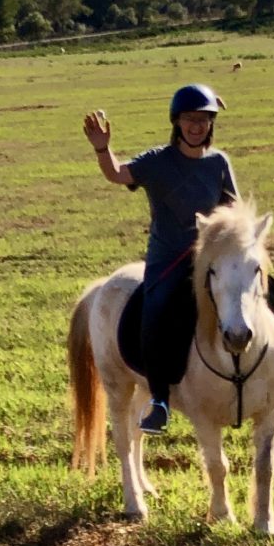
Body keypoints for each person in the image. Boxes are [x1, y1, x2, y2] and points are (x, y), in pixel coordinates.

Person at [84, 84, 238, 434]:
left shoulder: (219, 163)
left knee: (270, 291)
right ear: (177, 122)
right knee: (155, 315)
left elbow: (234, 210)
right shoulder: (158, 161)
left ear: (211, 124)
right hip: (168, 261)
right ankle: (160, 400)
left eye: (203, 119)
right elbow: (117, 174)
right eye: (189, 119)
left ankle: (271, 377)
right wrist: (102, 149)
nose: (196, 126)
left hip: (210, 259)